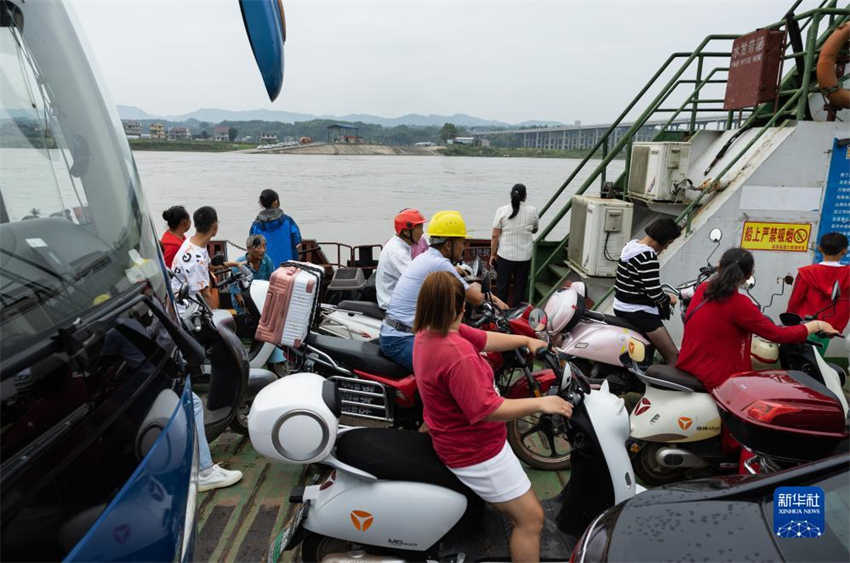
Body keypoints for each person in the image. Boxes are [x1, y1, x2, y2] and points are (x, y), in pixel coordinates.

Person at [413, 271, 573, 563]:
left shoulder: (429, 332)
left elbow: (485, 339)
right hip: (476, 451)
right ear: (461, 307)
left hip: (453, 438)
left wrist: (525, 340)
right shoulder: (458, 354)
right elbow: (488, 411)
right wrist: (541, 403)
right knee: (531, 520)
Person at [678, 247, 838, 390]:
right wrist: (816, 325)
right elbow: (778, 335)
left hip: (689, 364)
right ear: (749, 275)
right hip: (717, 377)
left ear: (719, 266)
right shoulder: (740, 303)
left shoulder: (703, 289)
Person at [380, 210, 508, 371]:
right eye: (462, 242)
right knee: (455, 368)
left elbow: (467, 288)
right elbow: (475, 298)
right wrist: (500, 303)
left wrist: (481, 292)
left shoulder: (429, 257)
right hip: (402, 339)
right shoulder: (439, 263)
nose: (464, 247)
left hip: (402, 332)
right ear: (448, 245)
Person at [613, 218, 683, 365]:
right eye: (669, 243)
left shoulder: (630, 246)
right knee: (673, 356)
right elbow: (655, 293)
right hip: (638, 312)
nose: (666, 247)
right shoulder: (647, 257)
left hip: (620, 306)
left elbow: (639, 283)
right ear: (663, 239)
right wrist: (669, 299)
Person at [787, 232, 850, 351]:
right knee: (816, 358)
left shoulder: (806, 272)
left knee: (800, 356)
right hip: (829, 328)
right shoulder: (848, 274)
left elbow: (795, 300)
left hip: (806, 324)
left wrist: (790, 320)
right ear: (844, 251)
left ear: (820, 248)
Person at [170, 206, 238, 311]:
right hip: (187, 313)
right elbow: (207, 298)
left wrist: (236, 264)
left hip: (185, 304)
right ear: (215, 227)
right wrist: (216, 312)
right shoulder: (196, 259)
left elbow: (209, 266)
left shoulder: (192, 242)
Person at [489, 184, 539, 307]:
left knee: (502, 287)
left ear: (511, 195)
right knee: (519, 288)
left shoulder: (502, 211)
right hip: (524, 257)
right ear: (525, 196)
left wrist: (492, 255)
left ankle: (501, 312)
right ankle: (516, 313)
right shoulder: (533, 211)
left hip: (505, 255)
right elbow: (535, 229)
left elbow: (495, 236)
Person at [376, 209, 427, 309]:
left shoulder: (401, 245)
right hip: (394, 306)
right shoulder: (397, 251)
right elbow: (416, 278)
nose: (422, 232)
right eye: (419, 228)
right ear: (407, 232)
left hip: (400, 301)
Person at [249, 189, 302, 268]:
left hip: (265, 270)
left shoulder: (255, 226)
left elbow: (251, 247)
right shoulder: (288, 221)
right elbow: (297, 241)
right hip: (287, 269)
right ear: (276, 202)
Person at [229, 234, 275, 310]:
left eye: (264, 246)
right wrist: (245, 307)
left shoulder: (267, 260)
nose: (263, 250)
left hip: (261, 300)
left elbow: (272, 280)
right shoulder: (238, 264)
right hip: (245, 304)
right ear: (248, 249)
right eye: (258, 247)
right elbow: (235, 291)